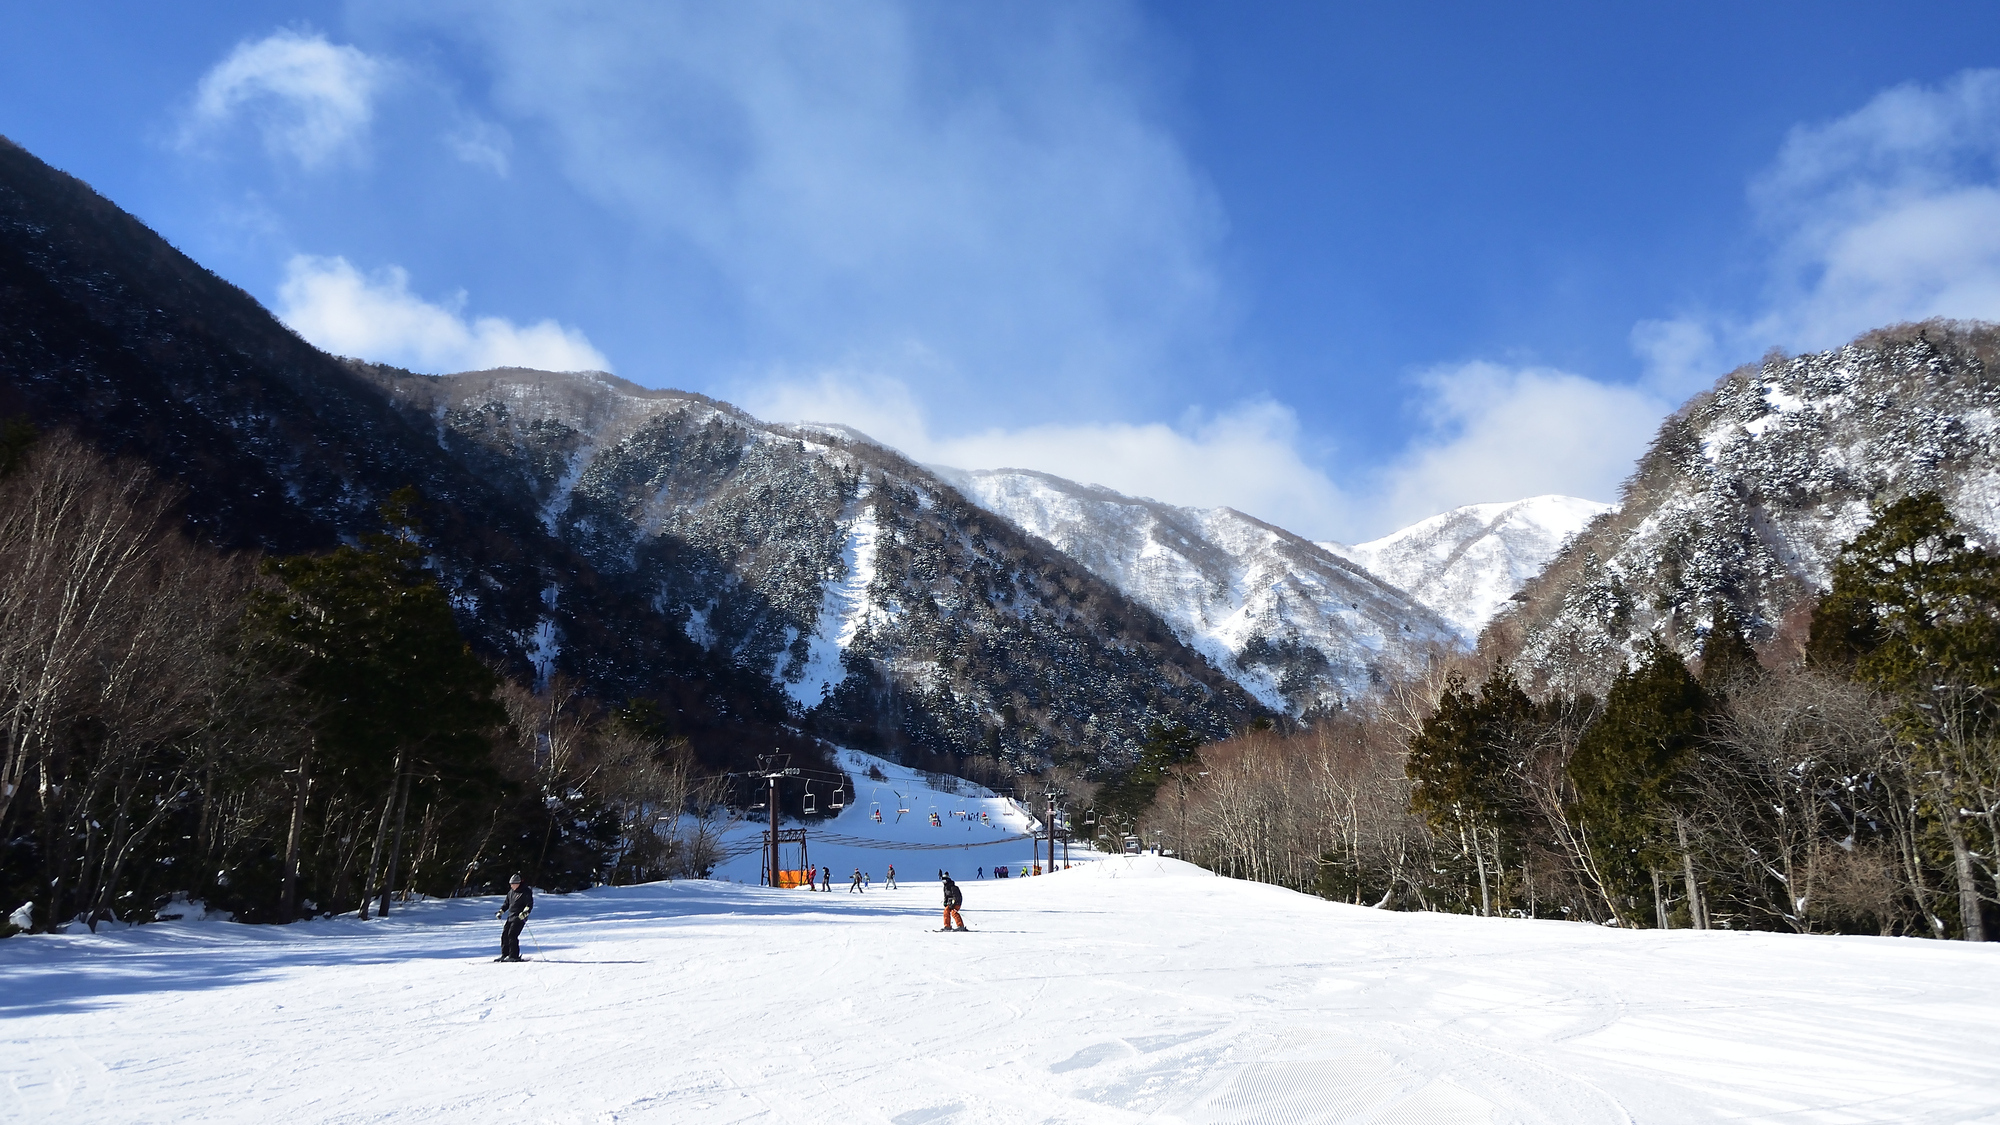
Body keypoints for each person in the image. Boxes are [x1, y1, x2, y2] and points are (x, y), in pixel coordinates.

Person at [495, 874, 533, 962]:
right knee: (504, 935)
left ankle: (514, 955)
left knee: (512, 934)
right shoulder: (511, 892)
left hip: (519, 917)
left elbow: (529, 904)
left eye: (513, 884)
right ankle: (505, 954)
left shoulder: (526, 891)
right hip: (511, 917)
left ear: (518, 883)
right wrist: (501, 911)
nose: (511, 886)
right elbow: (506, 904)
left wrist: (525, 912)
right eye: (510, 884)